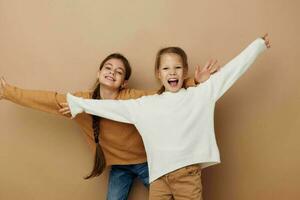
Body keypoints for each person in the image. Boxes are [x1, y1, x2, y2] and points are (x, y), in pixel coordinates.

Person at [66, 34, 271, 200]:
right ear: (158, 73)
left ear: (185, 72)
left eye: (177, 68)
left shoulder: (199, 94)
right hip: (158, 179)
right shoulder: (146, 104)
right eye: (166, 68)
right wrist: (77, 104)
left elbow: (230, 72)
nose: (172, 72)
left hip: (187, 176)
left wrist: (257, 46)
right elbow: (112, 108)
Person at [0, 53, 219, 200]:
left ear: (123, 82)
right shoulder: (81, 103)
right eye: (108, 67)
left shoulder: (133, 98)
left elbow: (164, 93)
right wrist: (8, 92)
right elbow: (48, 99)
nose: (112, 72)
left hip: (148, 162)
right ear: (99, 73)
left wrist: (195, 82)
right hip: (119, 167)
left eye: (119, 71)